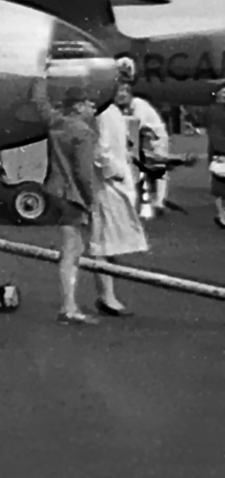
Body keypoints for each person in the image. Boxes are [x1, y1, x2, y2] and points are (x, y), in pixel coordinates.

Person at [33, 79, 102, 324]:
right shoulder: (83, 133)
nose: (94, 109)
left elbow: (40, 104)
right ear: (79, 106)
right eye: (90, 105)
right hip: (72, 195)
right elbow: (84, 173)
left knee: (73, 249)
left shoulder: (56, 123)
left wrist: (39, 77)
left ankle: (70, 305)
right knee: (71, 252)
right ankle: (69, 307)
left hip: (54, 189)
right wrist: (92, 202)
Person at [88, 79, 149, 316]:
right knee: (103, 240)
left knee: (112, 241)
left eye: (126, 90)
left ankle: (109, 294)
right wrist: (114, 172)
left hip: (119, 180)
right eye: (119, 89)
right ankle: (106, 296)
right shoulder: (102, 113)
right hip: (108, 184)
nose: (124, 94)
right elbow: (100, 151)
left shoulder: (113, 112)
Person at [122, 81, 171, 218]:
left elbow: (137, 124)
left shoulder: (139, 105)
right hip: (143, 139)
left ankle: (159, 202)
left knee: (159, 170)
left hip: (156, 139)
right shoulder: (125, 107)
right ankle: (147, 200)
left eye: (125, 94)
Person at [208, 84, 225, 228]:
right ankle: (222, 216)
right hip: (220, 152)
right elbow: (215, 135)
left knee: (219, 187)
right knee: (219, 186)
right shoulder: (214, 111)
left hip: (218, 151)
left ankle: (222, 216)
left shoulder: (213, 110)